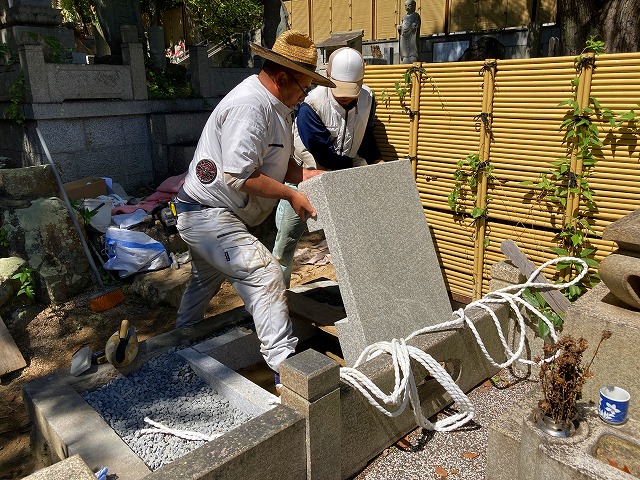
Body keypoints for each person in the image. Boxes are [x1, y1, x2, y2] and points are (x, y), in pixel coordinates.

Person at [173, 30, 335, 387]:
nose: (306, 94)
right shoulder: (251, 106)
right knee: (264, 275)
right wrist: (291, 195)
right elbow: (239, 174)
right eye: (304, 86)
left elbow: (278, 160)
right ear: (281, 78)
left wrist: (305, 174)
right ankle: (287, 372)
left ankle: (176, 346)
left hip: (217, 214)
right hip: (206, 213)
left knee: (204, 280)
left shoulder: (279, 106)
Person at [272, 47, 383, 287]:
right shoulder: (310, 105)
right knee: (286, 245)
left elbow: (368, 136)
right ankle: (279, 300)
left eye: (351, 91)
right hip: (305, 180)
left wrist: (377, 163)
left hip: (347, 179)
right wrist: (355, 164)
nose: (345, 97)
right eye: (339, 90)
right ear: (328, 77)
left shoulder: (367, 98)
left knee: (350, 243)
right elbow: (321, 152)